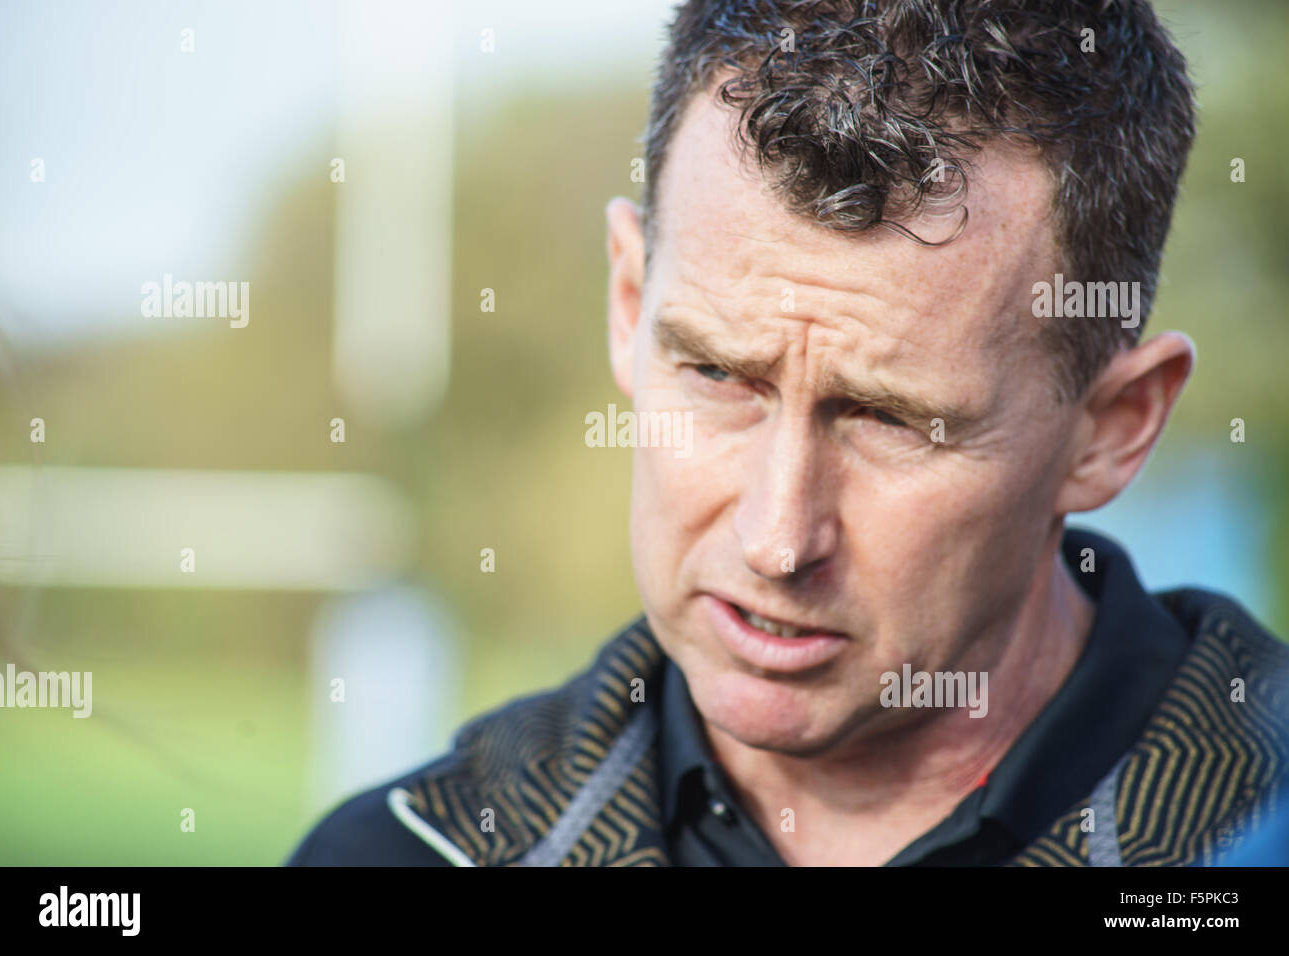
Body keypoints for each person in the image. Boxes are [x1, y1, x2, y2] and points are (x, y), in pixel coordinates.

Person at [288, 0, 1289, 867]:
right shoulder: (405, 850)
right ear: (629, 306)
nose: (775, 537)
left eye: (889, 419)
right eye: (719, 374)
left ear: (1112, 429)